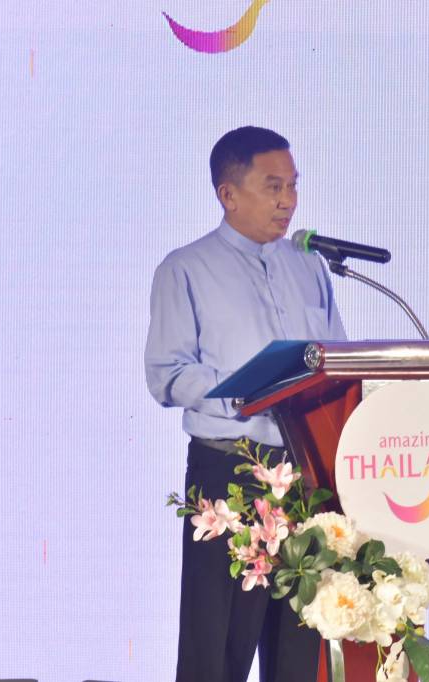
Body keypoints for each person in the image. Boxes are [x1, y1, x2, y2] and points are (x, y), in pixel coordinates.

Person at [144, 126, 346, 682]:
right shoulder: (185, 269)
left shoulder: (309, 266)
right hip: (230, 473)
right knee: (219, 646)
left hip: (306, 474)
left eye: (293, 185)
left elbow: (334, 358)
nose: (288, 201)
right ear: (228, 194)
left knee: (301, 644)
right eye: (273, 186)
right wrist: (246, 391)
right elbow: (166, 375)